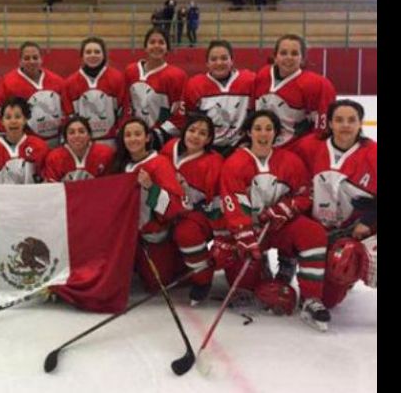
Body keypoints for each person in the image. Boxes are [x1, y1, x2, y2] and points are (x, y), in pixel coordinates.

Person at [218, 110, 330, 331]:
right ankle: (260, 272)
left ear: (276, 133)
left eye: (269, 129)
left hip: (279, 227)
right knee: (246, 289)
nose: (263, 133)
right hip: (249, 233)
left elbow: (305, 193)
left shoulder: (290, 161)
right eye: (258, 128)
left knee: (313, 233)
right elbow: (231, 203)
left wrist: (285, 208)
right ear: (249, 132)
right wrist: (245, 236)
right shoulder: (235, 163)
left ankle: (311, 298)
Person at [293, 100, 377, 309]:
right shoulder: (310, 146)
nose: (345, 125)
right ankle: (289, 263)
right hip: (318, 229)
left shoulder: (373, 153)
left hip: (354, 231)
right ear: (329, 123)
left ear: (360, 124)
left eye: (351, 120)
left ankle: (354, 266)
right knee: (326, 299)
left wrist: (368, 221)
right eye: (339, 120)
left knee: (332, 292)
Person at [114, 118, 185, 293]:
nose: (133, 139)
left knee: (156, 284)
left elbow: (174, 207)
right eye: (128, 135)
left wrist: (150, 187)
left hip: (152, 235)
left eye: (138, 134)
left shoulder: (160, 163)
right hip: (129, 237)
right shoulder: (120, 165)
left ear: (147, 138)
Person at [160, 114, 224, 305]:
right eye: (192, 130)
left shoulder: (214, 162)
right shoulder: (169, 147)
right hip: (165, 211)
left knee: (187, 234)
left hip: (196, 216)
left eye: (202, 133)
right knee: (157, 278)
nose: (195, 136)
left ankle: (202, 279)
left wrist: (220, 234)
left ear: (209, 139)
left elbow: (217, 201)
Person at [253, 34, 337, 152]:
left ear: (302, 58)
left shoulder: (316, 85)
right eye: (283, 53)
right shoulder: (263, 75)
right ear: (275, 57)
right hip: (261, 148)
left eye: (294, 53)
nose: (289, 57)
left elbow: (322, 131)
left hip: (294, 151)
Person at [0, 41, 71, 148]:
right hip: (26, 144)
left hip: (56, 142)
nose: (31, 61)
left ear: (42, 59)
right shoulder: (7, 83)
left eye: (35, 58)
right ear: (20, 61)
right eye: (26, 58)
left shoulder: (57, 81)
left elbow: (67, 111)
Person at [184, 40, 255, 156]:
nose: (219, 63)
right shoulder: (195, 85)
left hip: (240, 146)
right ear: (207, 63)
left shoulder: (249, 81)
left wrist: (247, 141)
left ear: (232, 61)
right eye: (213, 59)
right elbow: (191, 121)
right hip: (208, 147)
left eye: (224, 58)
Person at [125, 28, 187, 151]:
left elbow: (180, 114)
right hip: (134, 138)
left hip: (162, 140)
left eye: (161, 42)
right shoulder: (130, 71)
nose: (156, 46)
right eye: (152, 42)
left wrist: (158, 134)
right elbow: (125, 104)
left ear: (167, 48)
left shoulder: (177, 76)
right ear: (145, 47)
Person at [63, 37, 128, 149]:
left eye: (97, 52)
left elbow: (125, 109)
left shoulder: (117, 78)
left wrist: (119, 133)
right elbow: (69, 115)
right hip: (83, 144)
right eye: (88, 52)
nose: (93, 55)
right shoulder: (70, 83)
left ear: (104, 54)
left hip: (112, 140)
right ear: (82, 56)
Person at [0, 97, 49, 184]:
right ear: (2, 121)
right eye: (8, 117)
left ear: (25, 120)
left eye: (18, 117)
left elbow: (45, 180)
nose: (13, 121)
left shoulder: (39, 146)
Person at [42, 116, 115, 182]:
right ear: (65, 138)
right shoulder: (54, 158)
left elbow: (112, 183)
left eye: (81, 131)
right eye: (71, 132)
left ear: (89, 135)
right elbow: (52, 188)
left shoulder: (105, 153)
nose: (77, 136)